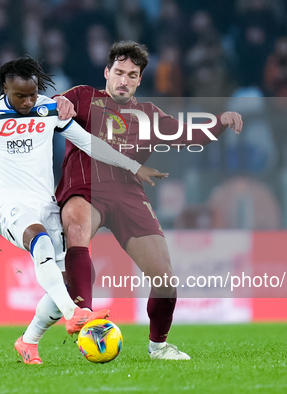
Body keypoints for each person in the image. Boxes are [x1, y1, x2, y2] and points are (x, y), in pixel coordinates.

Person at [0, 55, 167, 364]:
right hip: (8, 203)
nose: (28, 101)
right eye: (20, 96)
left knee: (68, 284)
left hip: (45, 204)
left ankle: (29, 341)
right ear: (6, 88)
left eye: (32, 94)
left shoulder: (49, 109)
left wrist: (132, 165)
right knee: (40, 241)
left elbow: (89, 143)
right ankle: (77, 314)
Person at [46, 41, 243, 360]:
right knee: (77, 231)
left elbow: (189, 134)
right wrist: (58, 102)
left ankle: (159, 347)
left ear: (139, 80)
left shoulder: (149, 115)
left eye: (132, 75)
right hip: (85, 185)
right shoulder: (83, 96)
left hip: (127, 194)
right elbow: (53, 104)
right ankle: (84, 317)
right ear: (107, 72)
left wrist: (220, 122)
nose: (124, 80)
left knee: (165, 279)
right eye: (119, 72)